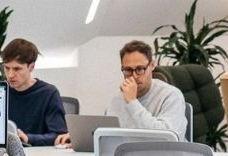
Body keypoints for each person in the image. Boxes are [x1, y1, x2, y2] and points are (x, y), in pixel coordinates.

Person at [54, 39, 187, 146]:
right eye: (128, 70)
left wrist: (133, 102)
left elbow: (167, 139)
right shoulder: (117, 99)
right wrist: (81, 139)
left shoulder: (171, 95)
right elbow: (111, 135)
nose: (134, 76)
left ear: (152, 65)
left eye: (140, 69)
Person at [1, 38, 67, 146]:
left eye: (17, 69)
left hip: (40, 155)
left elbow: (60, 136)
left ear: (31, 67)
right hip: (6, 154)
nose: (10, 75)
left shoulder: (49, 93)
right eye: (7, 68)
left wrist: (28, 138)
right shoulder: (1, 91)